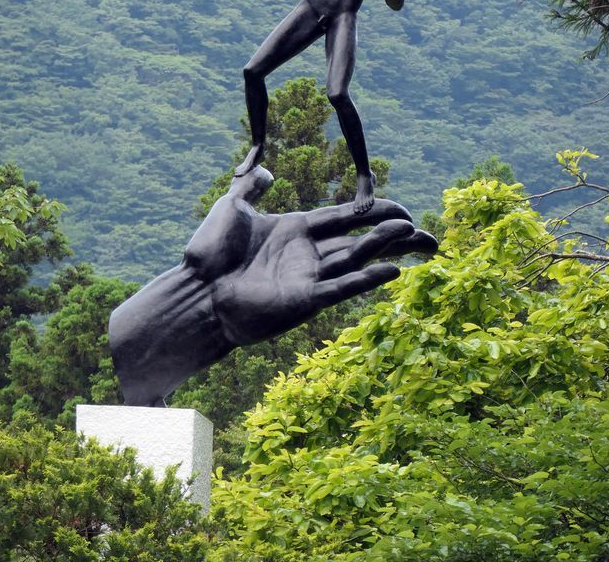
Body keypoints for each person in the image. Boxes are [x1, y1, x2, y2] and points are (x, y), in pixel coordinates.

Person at [109, 166, 437, 406]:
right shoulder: (230, 228)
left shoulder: (234, 214)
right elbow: (207, 270)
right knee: (356, 255)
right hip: (156, 358)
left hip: (151, 361)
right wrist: (205, 279)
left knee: (357, 254)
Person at [209, 0, 426, 213]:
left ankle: (363, 175)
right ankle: (258, 145)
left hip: (343, 17)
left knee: (338, 93)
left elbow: (397, 2)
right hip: (309, 8)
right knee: (253, 71)